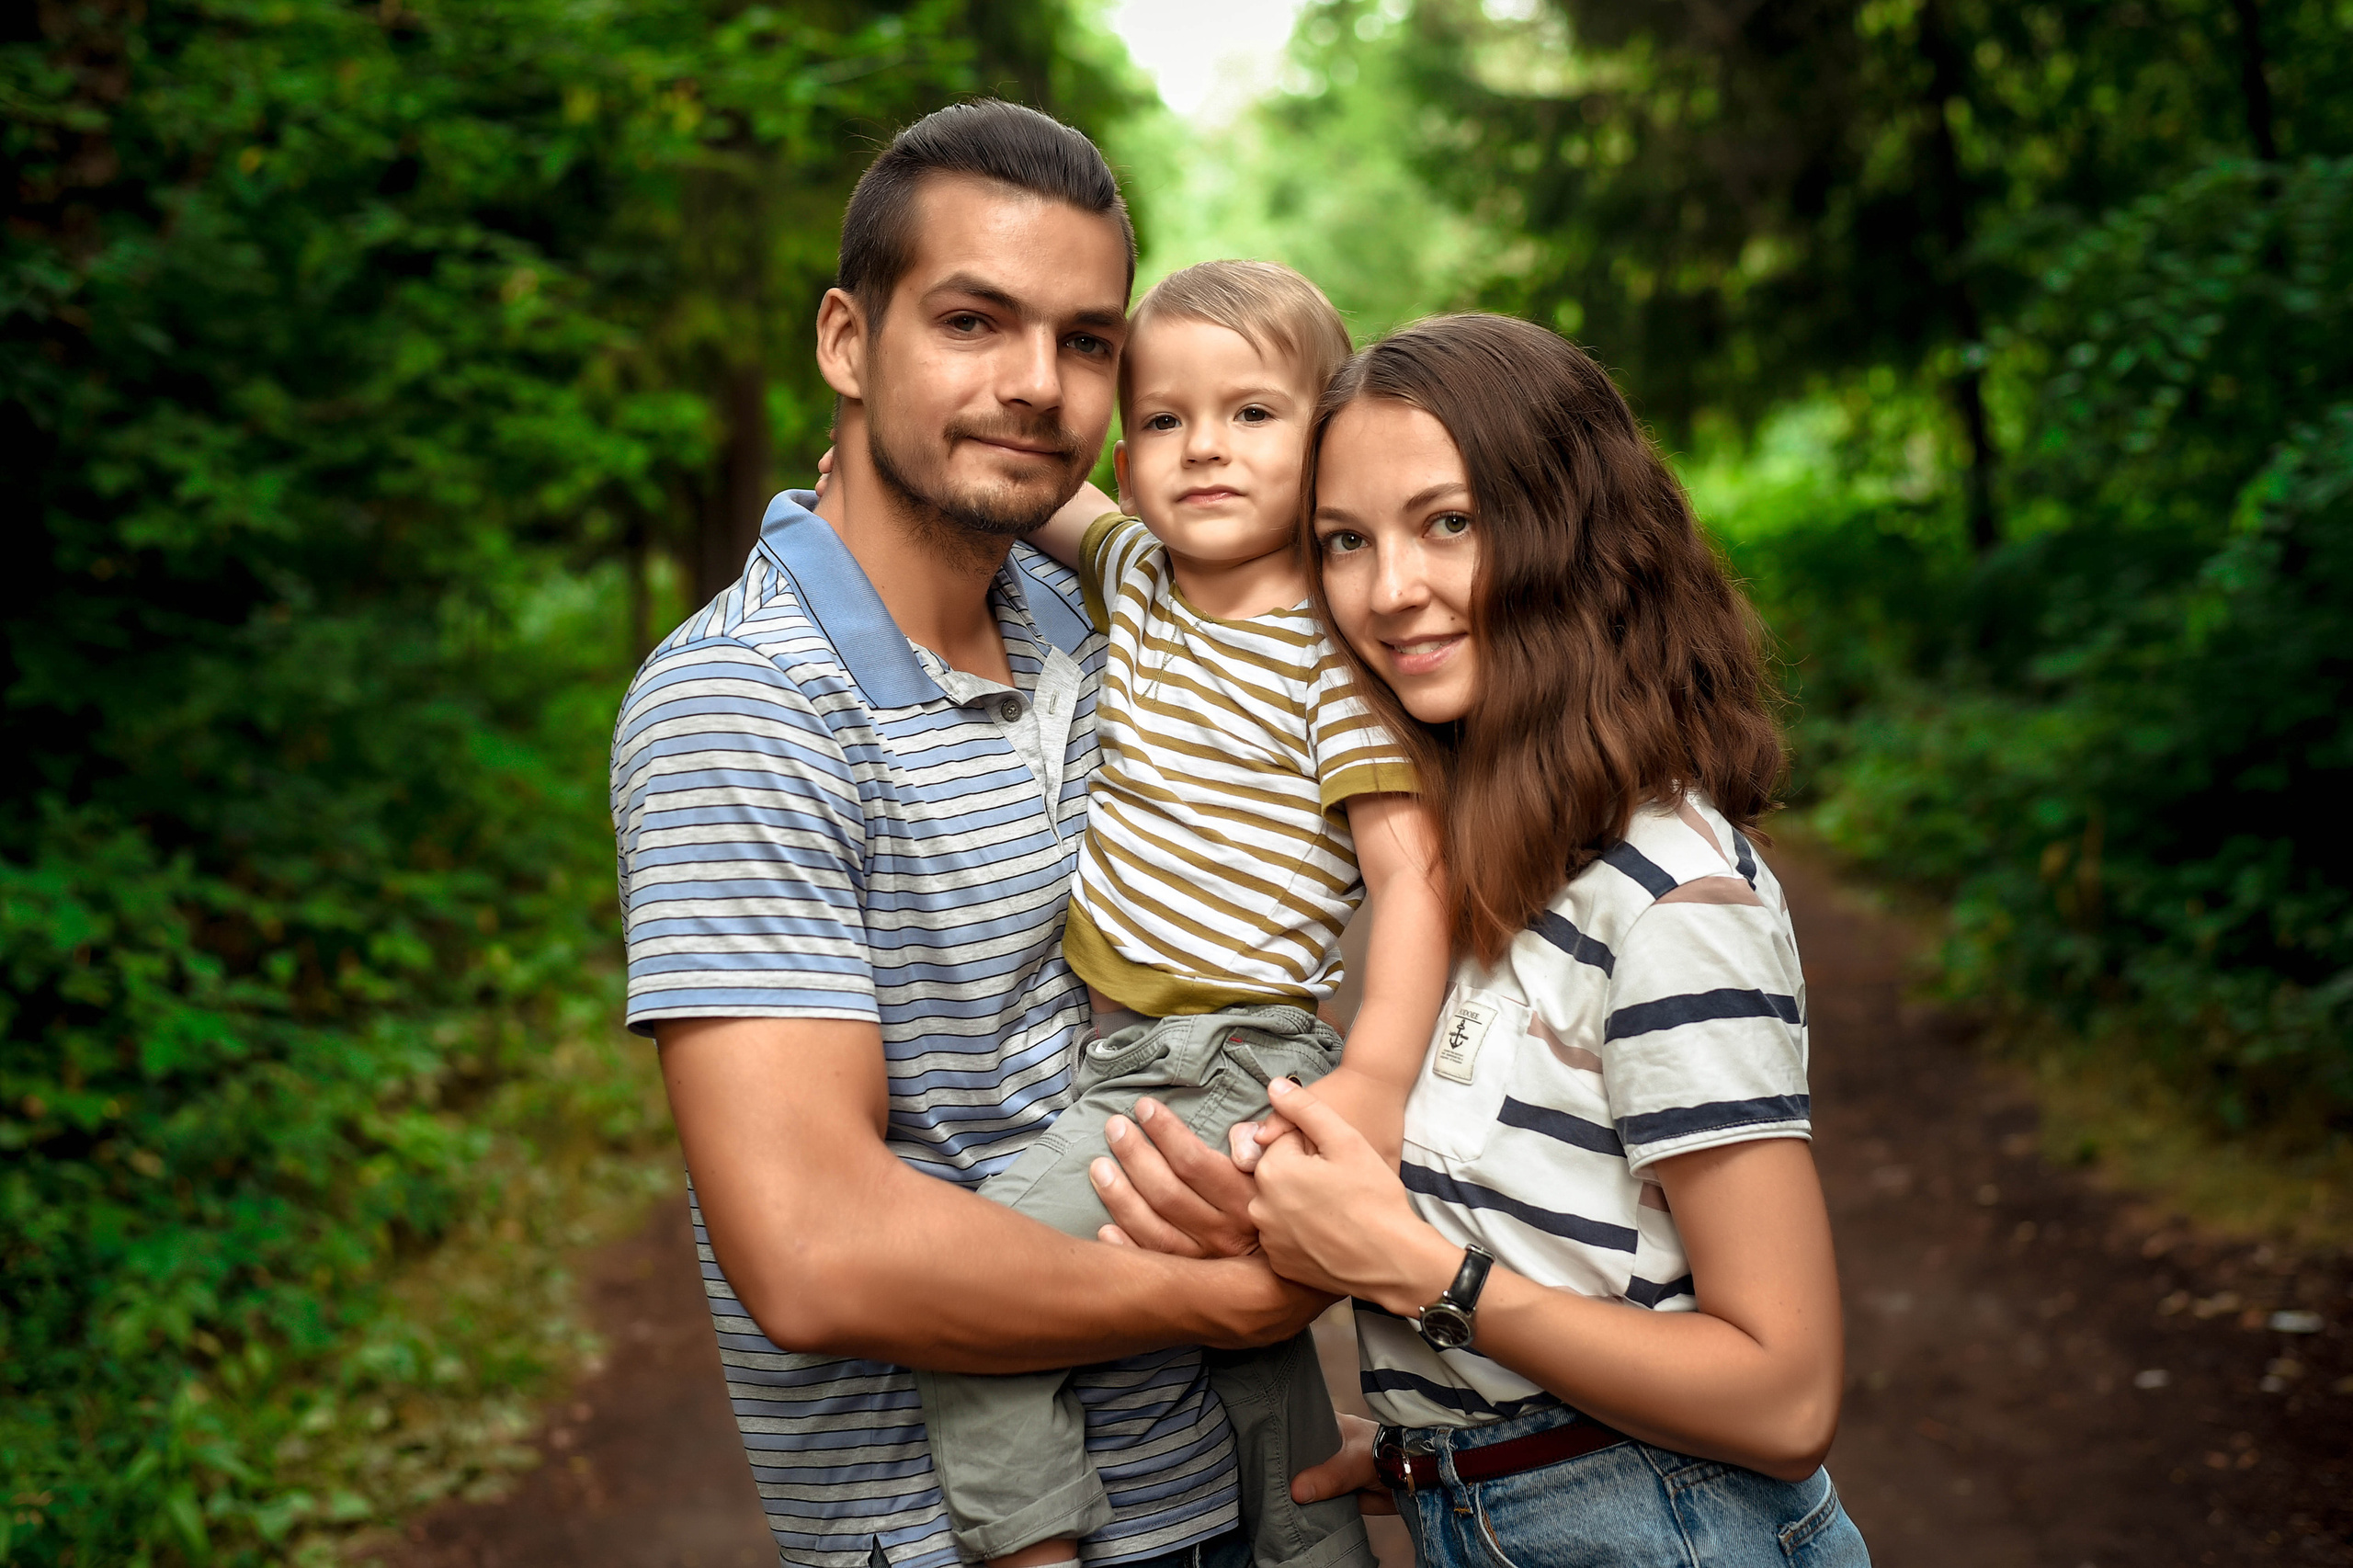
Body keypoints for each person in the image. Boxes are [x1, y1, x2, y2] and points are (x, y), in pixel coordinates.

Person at [609, 101, 1330, 1568]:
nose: (1036, 384)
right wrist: (1230, 1291)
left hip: (1228, 1491)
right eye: (972, 321)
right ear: (846, 340)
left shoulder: (1108, 621)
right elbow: (815, 1254)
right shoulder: (743, 703)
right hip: (959, 1536)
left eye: (1086, 341)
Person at [1095, 313, 1873, 1565]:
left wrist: (1418, 1272)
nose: (1389, 589)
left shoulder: (1672, 899)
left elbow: (1783, 1396)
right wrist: (1451, 1454)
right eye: (1345, 541)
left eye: (1447, 522)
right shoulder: (1472, 877)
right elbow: (1564, 1262)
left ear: (1575, 533)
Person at [907, 260, 1445, 1568]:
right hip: (1139, 1057)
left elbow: (1415, 876)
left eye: (1253, 414)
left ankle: (1030, 1552)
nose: (1204, 446)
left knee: (966, 1297)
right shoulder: (1140, 576)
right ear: (1128, 456)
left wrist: (1375, 1085)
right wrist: (894, 470)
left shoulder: (1331, 655)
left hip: (1234, 1055)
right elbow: (1045, 494)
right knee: (1246, 1362)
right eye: (1164, 419)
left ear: (1327, 449)